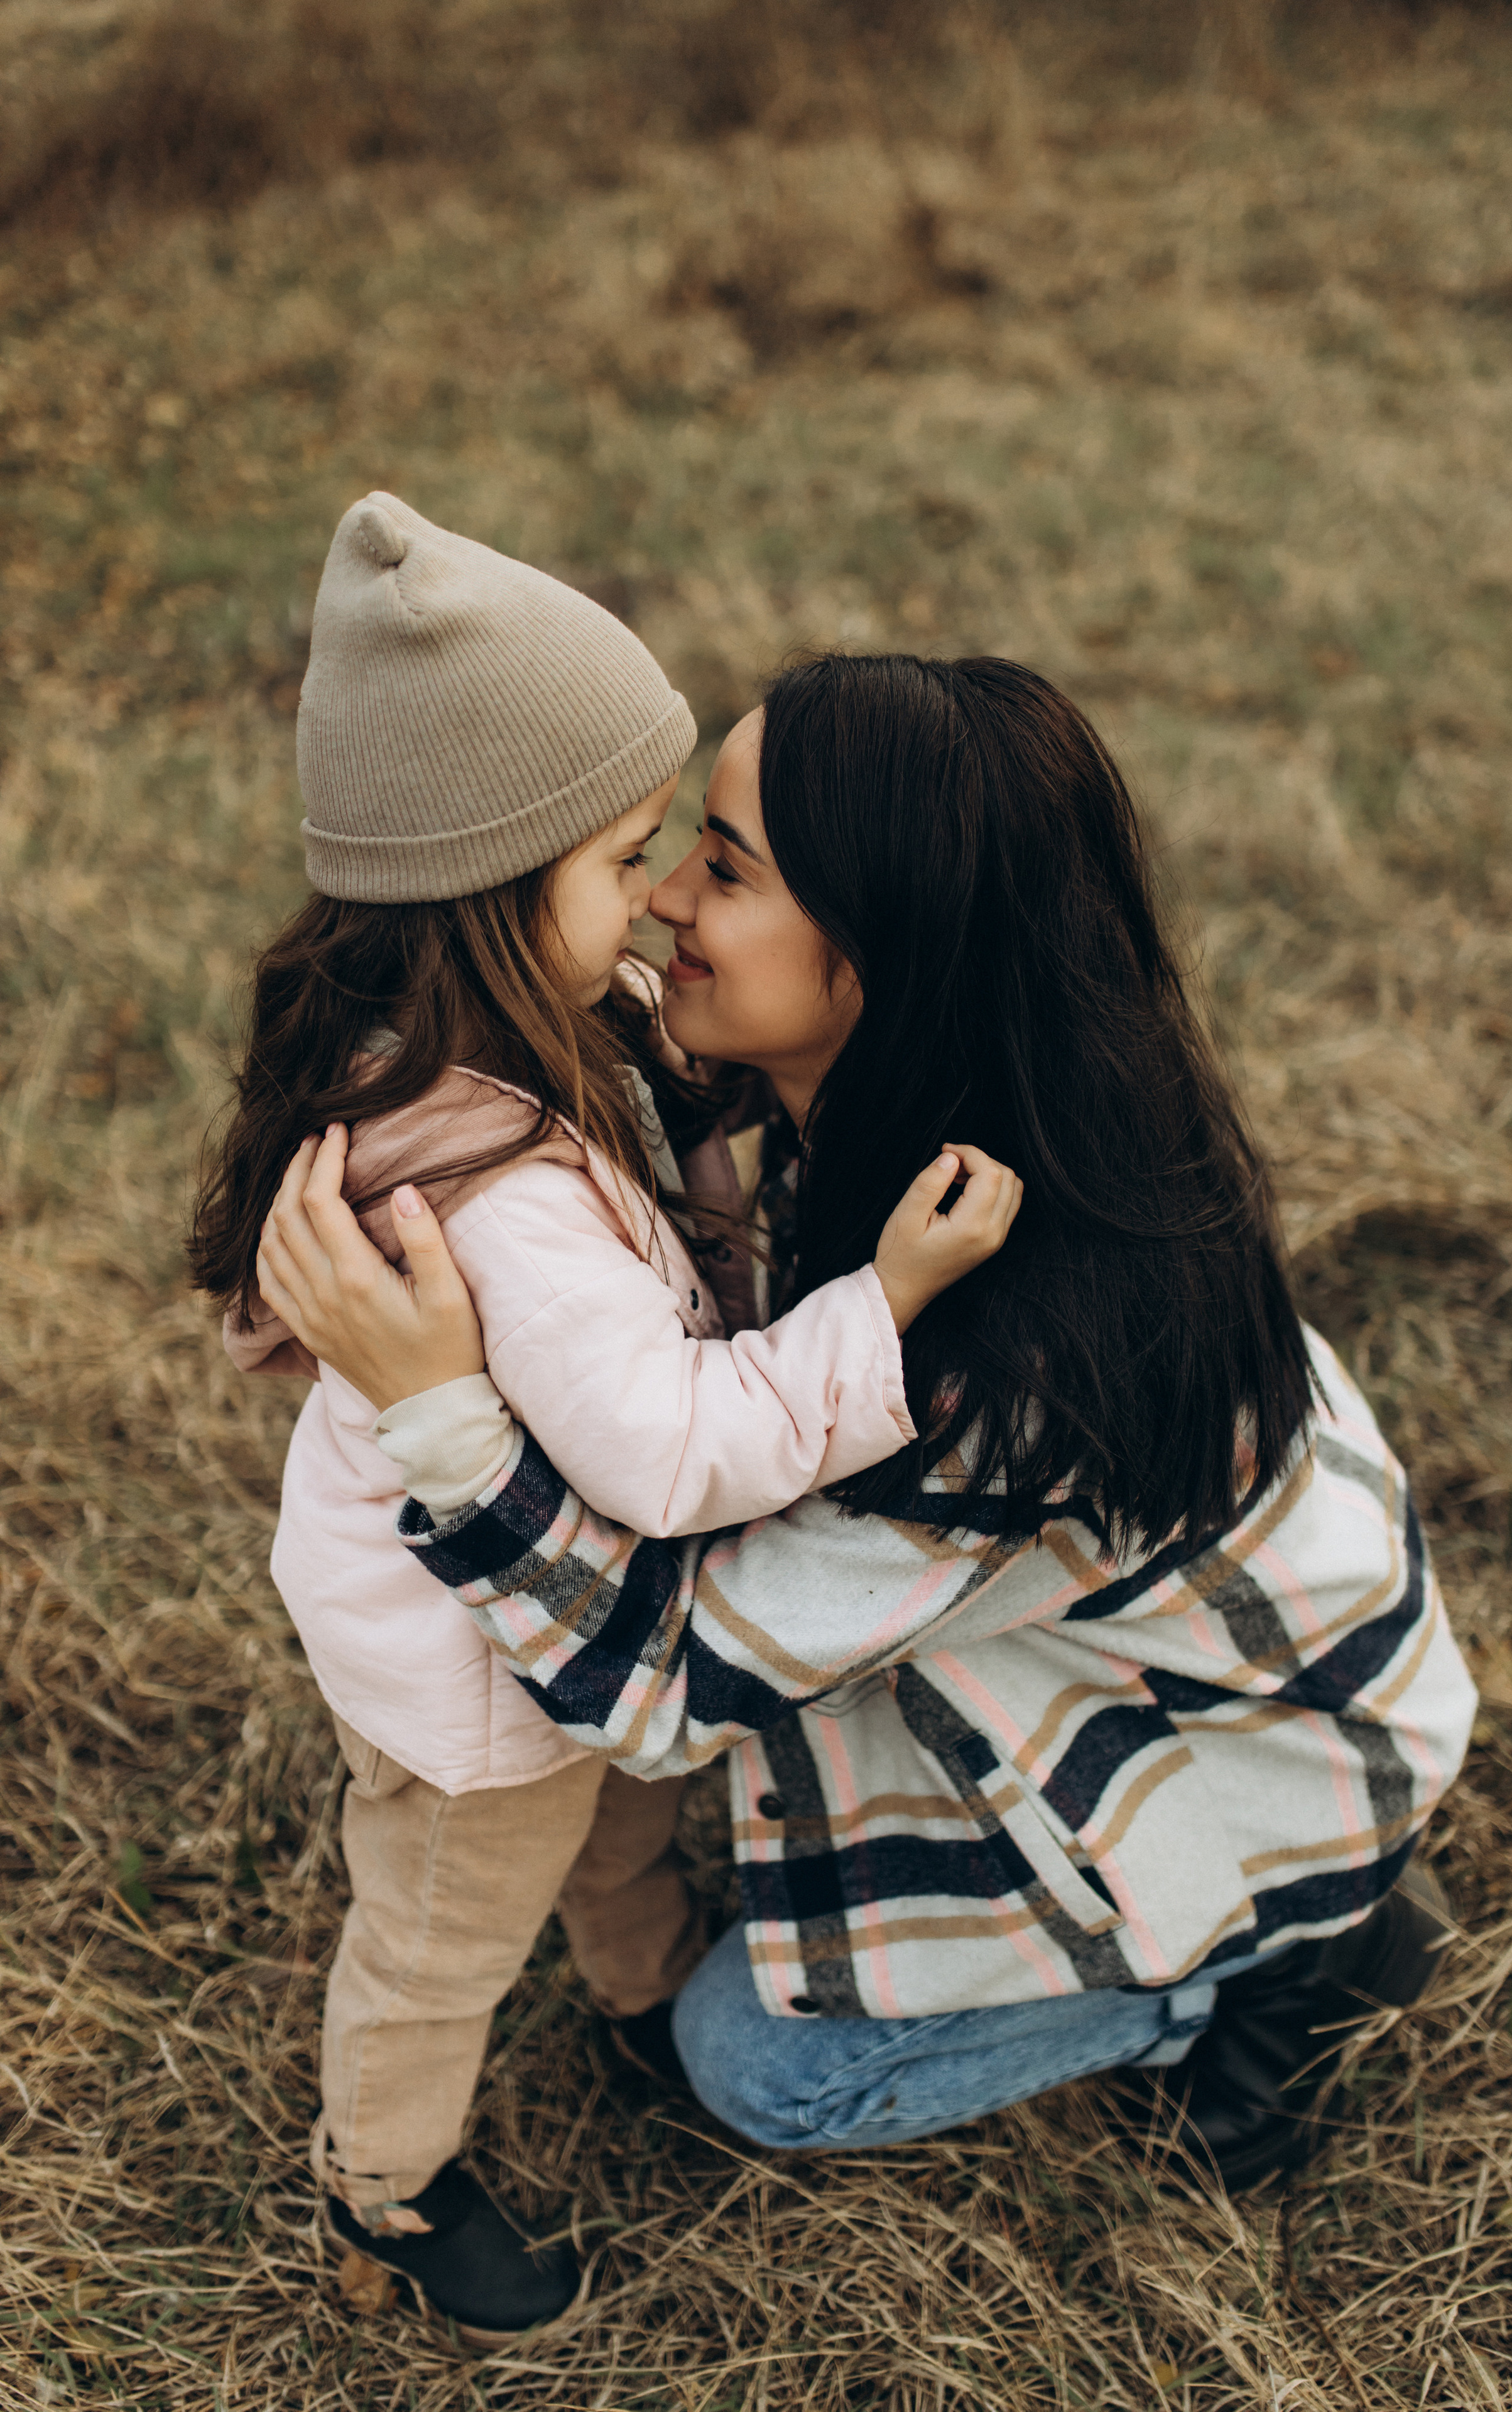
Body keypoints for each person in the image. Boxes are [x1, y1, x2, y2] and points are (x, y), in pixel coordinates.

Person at [258, 651, 1477, 2235]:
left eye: (724, 867)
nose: (662, 901)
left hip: (1255, 1737)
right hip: (1112, 1634)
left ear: (886, 948)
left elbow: (655, 1687)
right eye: (675, 849)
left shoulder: (1013, 1362)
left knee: (764, 2068)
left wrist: (435, 1411)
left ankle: (1291, 1955)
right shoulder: (926, 1110)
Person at [192, 500, 1020, 2349]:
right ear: (493, 892)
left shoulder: (498, 1034)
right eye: (624, 859)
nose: (654, 899)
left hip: (554, 1622)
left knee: (625, 1820)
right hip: (473, 1676)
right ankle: (385, 2182)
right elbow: (668, 1450)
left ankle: (641, 1989)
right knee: (439, 1942)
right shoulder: (504, 1202)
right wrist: (878, 1304)